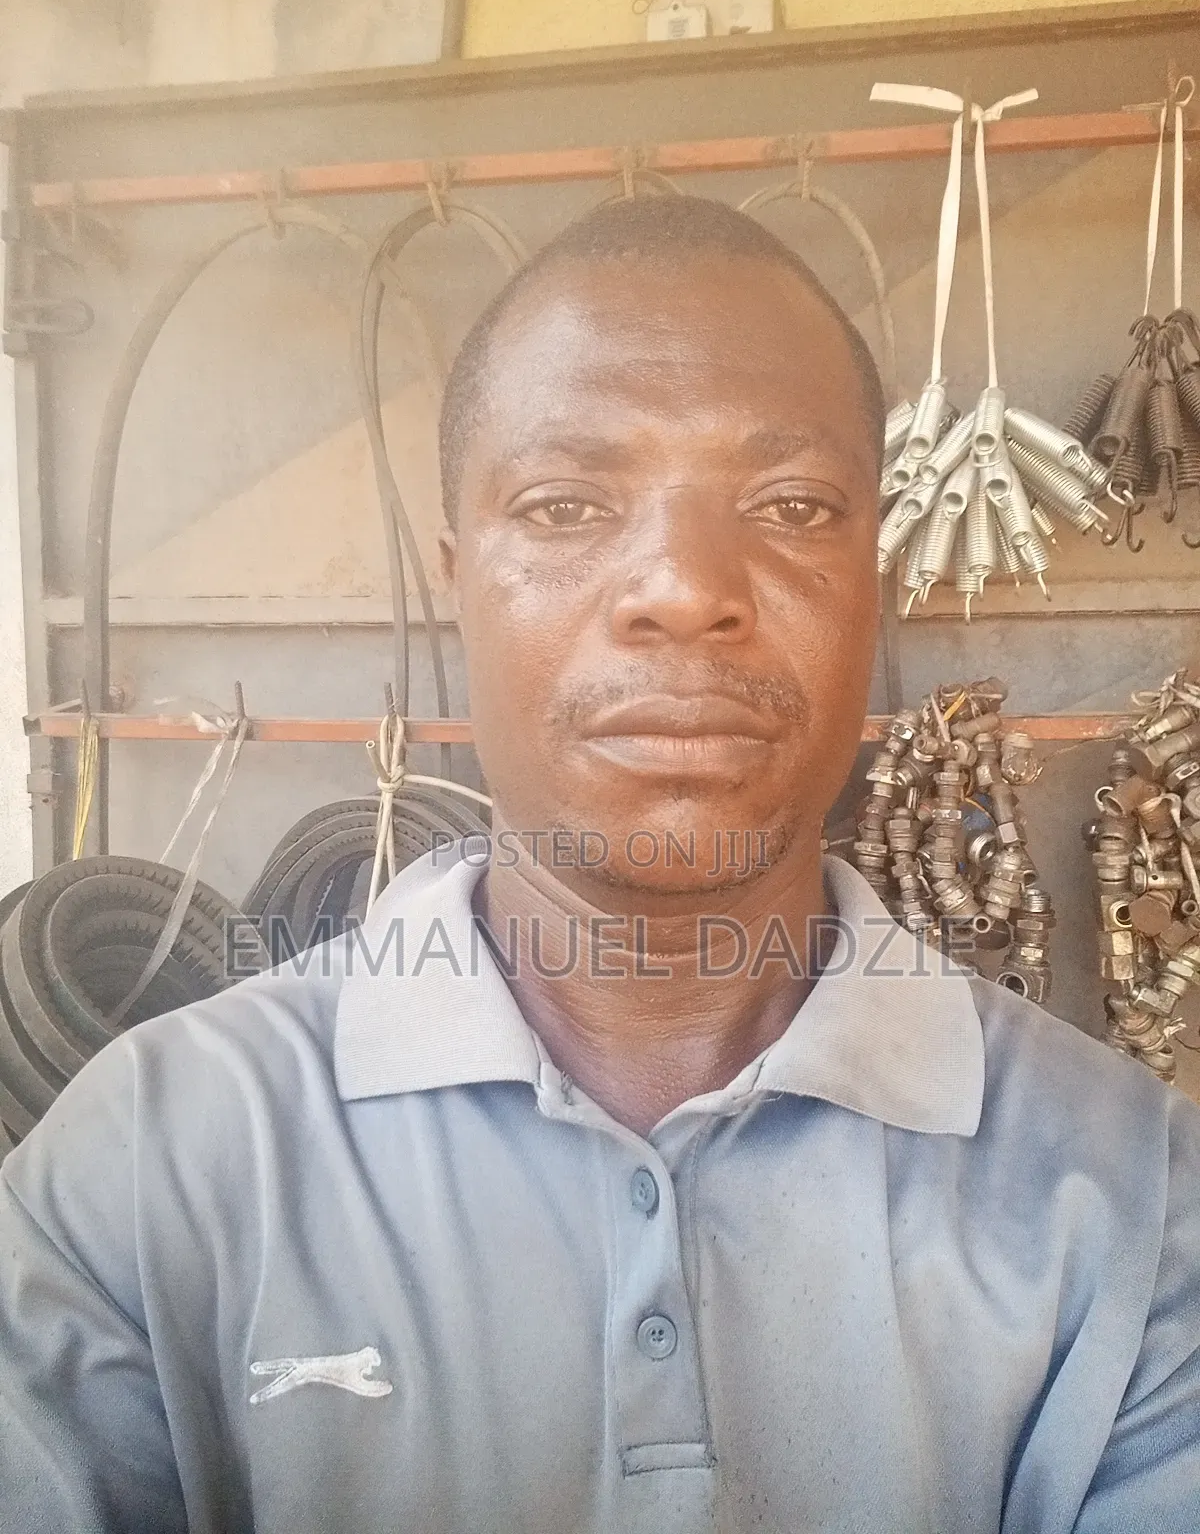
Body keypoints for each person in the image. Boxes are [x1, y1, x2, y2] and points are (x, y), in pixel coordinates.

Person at [1, 194, 1197, 1534]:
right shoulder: (146, 1165)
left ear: (873, 580)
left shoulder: (1133, 1197)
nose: (683, 587)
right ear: (456, 580)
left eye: (792, 505)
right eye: (566, 505)